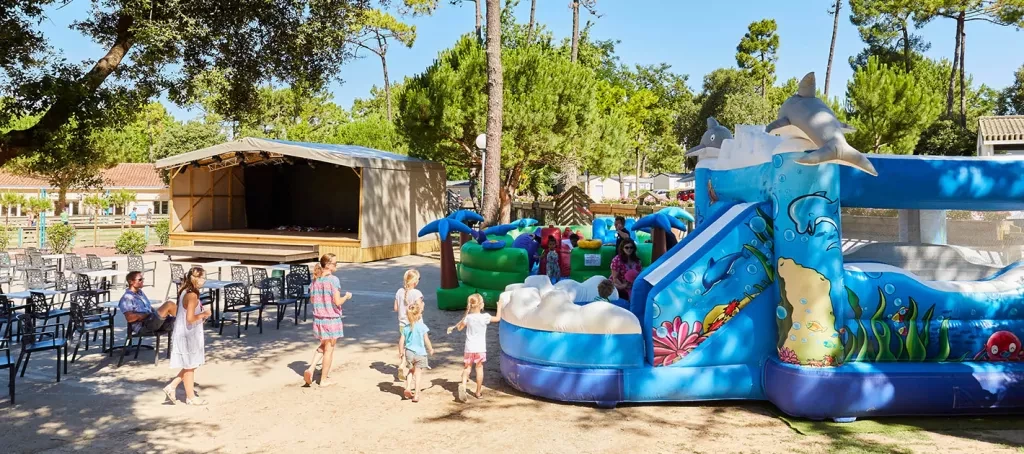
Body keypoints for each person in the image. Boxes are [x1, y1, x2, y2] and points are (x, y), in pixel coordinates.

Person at [164, 267, 212, 405]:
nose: (204, 280)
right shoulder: (191, 295)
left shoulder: (185, 291)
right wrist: (204, 314)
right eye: (202, 278)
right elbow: (190, 318)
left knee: (192, 364)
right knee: (190, 364)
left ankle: (172, 386)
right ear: (195, 278)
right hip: (188, 334)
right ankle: (191, 397)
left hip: (188, 332)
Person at [303, 253, 352, 387]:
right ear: (328, 265)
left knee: (323, 346)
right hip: (331, 319)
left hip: (319, 319)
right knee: (329, 350)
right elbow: (337, 301)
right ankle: (323, 379)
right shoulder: (333, 280)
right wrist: (346, 297)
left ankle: (311, 368)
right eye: (335, 264)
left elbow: (312, 300)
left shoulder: (315, 280)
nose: (336, 266)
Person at [447, 293, 502, 401]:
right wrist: (499, 307)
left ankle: (463, 384)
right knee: (479, 368)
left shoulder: (468, 318)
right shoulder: (485, 317)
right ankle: (477, 392)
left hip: (469, 348)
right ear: (481, 305)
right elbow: (498, 318)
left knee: (467, 368)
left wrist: (463, 318)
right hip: (480, 348)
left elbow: (459, 328)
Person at [399, 304, 433, 402]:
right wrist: (430, 349)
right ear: (418, 315)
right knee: (418, 374)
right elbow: (426, 339)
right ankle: (416, 394)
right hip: (420, 353)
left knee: (410, 371)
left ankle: (408, 387)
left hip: (409, 352)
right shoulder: (422, 327)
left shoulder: (405, 328)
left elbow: (401, 341)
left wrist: (401, 352)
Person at [394, 269, 423, 381]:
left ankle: (402, 361)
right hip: (414, 323)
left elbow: (395, 308)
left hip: (402, 322)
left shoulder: (399, 292)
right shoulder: (417, 293)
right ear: (415, 281)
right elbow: (419, 309)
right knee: (413, 345)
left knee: (403, 339)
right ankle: (412, 365)